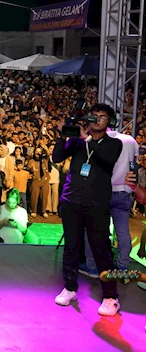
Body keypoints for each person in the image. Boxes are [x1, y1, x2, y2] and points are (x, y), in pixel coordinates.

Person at [51, 103, 122, 317]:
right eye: (95, 116)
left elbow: (106, 159)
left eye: (102, 117)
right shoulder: (77, 142)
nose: (97, 119)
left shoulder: (113, 144)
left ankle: (111, 297)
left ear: (108, 121)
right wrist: (63, 135)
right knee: (72, 247)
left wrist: (87, 138)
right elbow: (57, 157)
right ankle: (70, 288)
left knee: (101, 249)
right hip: (72, 201)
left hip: (96, 204)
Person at [78, 127, 139, 277]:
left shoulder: (101, 142)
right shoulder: (131, 141)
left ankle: (92, 266)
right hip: (124, 191)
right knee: (123, 231)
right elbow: (134, 166)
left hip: (102, 192)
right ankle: (123, 267)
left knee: (93, 229)